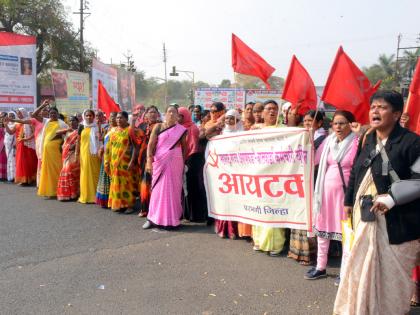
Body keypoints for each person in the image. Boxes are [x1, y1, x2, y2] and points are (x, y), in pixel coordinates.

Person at [334, 91, 420, 315]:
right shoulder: (368, 139)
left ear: (397, 113)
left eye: (381, 107)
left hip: (400, 224)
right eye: (373, 107)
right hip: (366, 218)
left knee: (393, 278)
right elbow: (356, 170)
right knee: (361, 268)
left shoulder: (412, 143)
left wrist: (392, 199)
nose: (375, 111)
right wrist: (348, 199)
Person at [305, 110, 360, 280]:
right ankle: (320, 267)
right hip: (325, 194)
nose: (338, 126)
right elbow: (313, 160)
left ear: (351, 125)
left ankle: (345, 273)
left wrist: (360, 135)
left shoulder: (357, 142)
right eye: (335, 123)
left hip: (346, 196)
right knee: (323, 232)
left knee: (346, 234)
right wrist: (309, 140)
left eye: (342, 123)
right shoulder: (328, 142)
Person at [287, 110, 326, 265]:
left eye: (310, 121)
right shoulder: (301, 136)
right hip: (301, 180)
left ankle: (313, 253)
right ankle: (298, 250)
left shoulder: (324, 139)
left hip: (315, 180)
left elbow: (316, 161)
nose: (307, 124)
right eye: (305, 121)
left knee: (312, 216)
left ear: (320, 122)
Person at [143, 105, 187, 229]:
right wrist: (148, 161)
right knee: (157, 190)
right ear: (165, 113)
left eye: (174, 112)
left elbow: (184, 147)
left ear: (178, 115)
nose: (172, 114)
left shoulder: (182, 129)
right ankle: (152, 218)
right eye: (169, 112)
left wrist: (183, 162)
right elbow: (150, 145)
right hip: (159, 162)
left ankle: (172, 219)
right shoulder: (158, 126)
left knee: (173, 191)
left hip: (175, 163)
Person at [252, 100, 287, 256]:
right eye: (268, 109)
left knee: (274, 210)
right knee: (259, 208)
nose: (272, 112)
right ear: (262, 112)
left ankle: (276, 245)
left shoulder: (285, 130)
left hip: (277, 177)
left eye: (274, 109)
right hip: (259, 175)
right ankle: (259, 241)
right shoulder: (255, 130)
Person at [213, 109, 244, 238]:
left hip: (237, 171)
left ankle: (233, 230)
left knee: (235, 200)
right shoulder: (220, 133)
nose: (229, 121)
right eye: (227, 118)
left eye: (232, 118)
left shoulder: (242, 134)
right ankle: (223, 228)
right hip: (222, 171)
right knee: (223, 199)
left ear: (237, 120)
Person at [104, 111, 140, 212]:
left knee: (127, 183)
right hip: (114, 162)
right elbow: (108, 147)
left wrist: (132, 162)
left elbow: (136, 147)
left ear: (126, 119)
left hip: (126, 162)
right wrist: (107, 160)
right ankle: (118, 204)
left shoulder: (130, 131)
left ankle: (129, 205)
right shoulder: (113, 130)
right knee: (116, 183)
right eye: (117, 118)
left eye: (121, 118)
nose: (118, 120)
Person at [178, 107, 207, 222]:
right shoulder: (178, 128)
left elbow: (193, 146)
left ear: (185, 116)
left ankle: (196, 215)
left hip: (193, 159)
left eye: (180, 116)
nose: (178, 118)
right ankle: (187, 213)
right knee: (185, 188)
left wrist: (185, 158)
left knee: (193, 187)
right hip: (183, 158)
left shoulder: (192, 128)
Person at [37, 106, 68, 198]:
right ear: (49, 115)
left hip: (56, 151)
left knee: (57, 169)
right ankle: (49, 191)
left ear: (58, 114)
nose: (53, 115)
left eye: (54, 113)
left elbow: (66, 137)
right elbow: (34, 115)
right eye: (51, 113)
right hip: (46, 151)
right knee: (47, 171)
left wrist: (62, 146)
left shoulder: (62, 124)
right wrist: (43, 105)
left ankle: (58, 190)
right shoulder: (46, 122)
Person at [136, 106, 160, 217]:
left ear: (158, 114)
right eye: (150, 112)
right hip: (144, 158)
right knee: (145, 183)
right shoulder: (141, 126)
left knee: (156, 183)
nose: (153, 114)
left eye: (155, 112)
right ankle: (145, 209)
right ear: (146, 115)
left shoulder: (162, 126)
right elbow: (135, 140)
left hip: (158, 157)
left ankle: (156, 209)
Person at [4, 109, 37, 185]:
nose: (18, 114)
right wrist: (6, 125)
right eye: (18, 113)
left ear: (23, 113)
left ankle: (29, 179)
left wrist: (26, 139)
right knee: (20, 161)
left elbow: (35, 132)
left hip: (28, 145)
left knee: (28, 162)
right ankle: (23, 180)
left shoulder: (28, 121)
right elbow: (11, 132)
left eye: (20, 113)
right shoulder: (17, 123)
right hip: (20, 144)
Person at [78, 110, 101, 204]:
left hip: (94, 154)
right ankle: (85, 196)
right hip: (83, 153)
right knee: (84, 174)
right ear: (84, 116)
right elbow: (78, 140)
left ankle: (95, 196)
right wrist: (76, 154)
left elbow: (100, 139)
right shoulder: (81, 126)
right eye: (87, 115)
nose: (88, 117)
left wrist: (99, 129)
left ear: (93, 116)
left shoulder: (96, 126)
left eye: (90, 115)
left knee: (94, 173)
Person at [96, 112, 117, 208]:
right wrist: (99, 126)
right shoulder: (107, 128)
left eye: (115, 117)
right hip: (106, 156)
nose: (113, 118)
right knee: (105, 177)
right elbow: (101, 139)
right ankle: (105, 200)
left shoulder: (119, 130)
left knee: (113, 177)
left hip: (115, 156)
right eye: (111, 116)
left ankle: (114, 200)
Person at [57, 116, 80, 201]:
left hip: (74, 153)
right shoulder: (67, 130)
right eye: (70, 121)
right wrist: (67, 130)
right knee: (67, 172)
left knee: (69, 172)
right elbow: (56, 133)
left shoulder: (79, 131)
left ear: (77, 122)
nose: (72, 122)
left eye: (73, 120)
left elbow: (80, 141)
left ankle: (73, 193)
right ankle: (68, 194)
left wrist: (74, 146)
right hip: (65, 153)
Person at [4, 112, 16, 182]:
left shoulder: (16, 124)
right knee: (9, 160)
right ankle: (10, 176)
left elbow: (12, 133)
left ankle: (14, 176)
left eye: (12, 116)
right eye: (9, 116)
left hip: (13, 145)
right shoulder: (7, 124)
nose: (10, 117)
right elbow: (6, 134)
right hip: (7, 145)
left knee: (13, 160)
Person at [0, 114, 7, 180]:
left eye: (3, 118)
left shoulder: (7, 127)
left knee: (3, 159)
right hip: (1, 144)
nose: (2, 119)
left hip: (5, 145)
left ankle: (4, 175)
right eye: (1, 118)